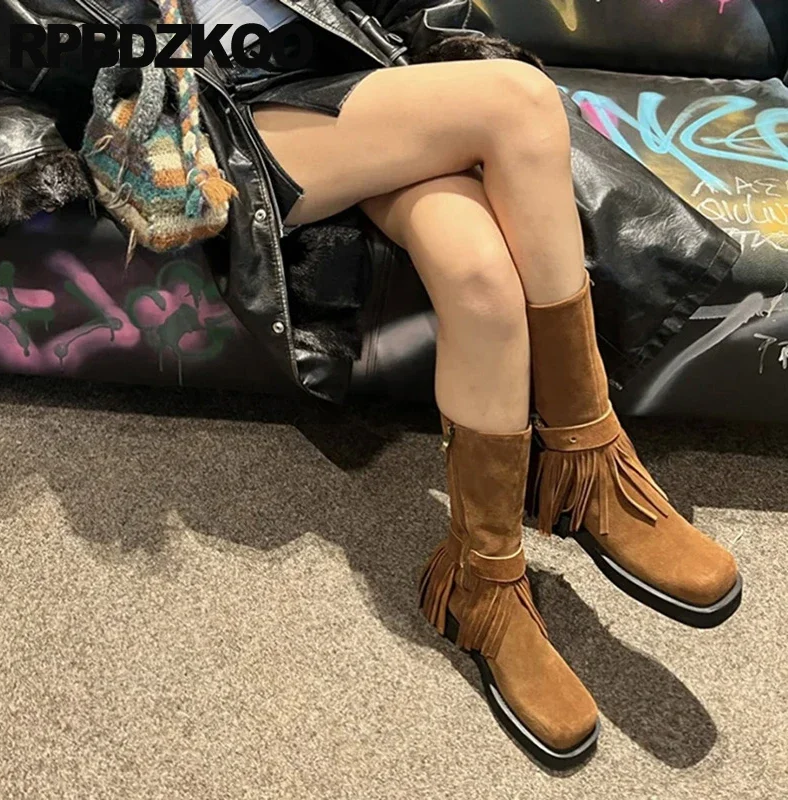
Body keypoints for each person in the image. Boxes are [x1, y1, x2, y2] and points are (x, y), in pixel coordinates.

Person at [217, 0, 744, 768]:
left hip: (358, 85)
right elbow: (61, 47)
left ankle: (481, 584)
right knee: (517, 100)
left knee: (481, 279)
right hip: (230, 116)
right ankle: (586, 459)